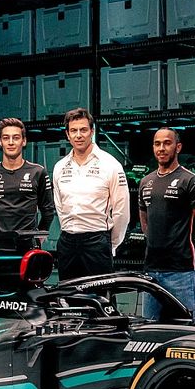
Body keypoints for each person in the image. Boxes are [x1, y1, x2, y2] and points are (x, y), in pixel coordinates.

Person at [138, 127, 195, 320]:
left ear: (178, 147)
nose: (161, 148)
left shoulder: (190, 180)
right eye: (157, 144)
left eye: (167, 143)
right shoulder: (145, 182)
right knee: (149, 330)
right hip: (151, 271)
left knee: (185, 331)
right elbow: (145, 221)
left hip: (182, 272)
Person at [50, 107, 130, 280]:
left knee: (100, 295)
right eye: (74, 131)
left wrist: (110, 244)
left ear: (92, 132)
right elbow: (59, 207)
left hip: (97, 243)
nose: (78, 135)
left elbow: (122, 211)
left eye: (83, 130)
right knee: (68, 294)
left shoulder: (110, 165)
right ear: (67, 134)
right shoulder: (59, 167)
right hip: (67, 243)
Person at [0, 117, 54, 251]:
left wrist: (40, 235)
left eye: (16, 138)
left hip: (28, 244)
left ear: (24, 141)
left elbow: (48, 209)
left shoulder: (38, 171)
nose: (11, 142)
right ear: (0, 142)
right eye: (6, 138)